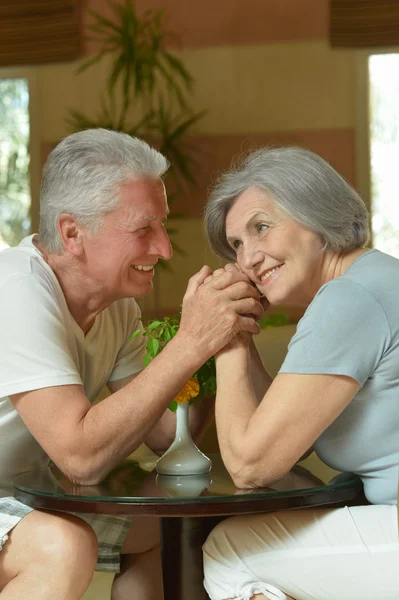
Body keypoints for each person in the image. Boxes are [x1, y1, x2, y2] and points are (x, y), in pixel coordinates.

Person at [0, 128, 264, 600]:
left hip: (15, 502)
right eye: (144, 230)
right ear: (72, 233)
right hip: (17, 508)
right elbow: (81, 458)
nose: (163, 249)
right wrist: (189, 341)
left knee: (156, 528)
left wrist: (221, 339)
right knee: (62, 546)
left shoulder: (117, 310)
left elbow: (165, 433)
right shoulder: (15, 289)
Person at [201, 146, 399, 600]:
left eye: (261, 228)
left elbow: (252, 465)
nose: (248, 258)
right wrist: (242, 333)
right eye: (237, 245)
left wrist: (224, 339)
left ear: (316, 215)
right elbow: (293, 438)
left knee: (230, 552)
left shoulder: (348, 300)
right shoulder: (372, 279)